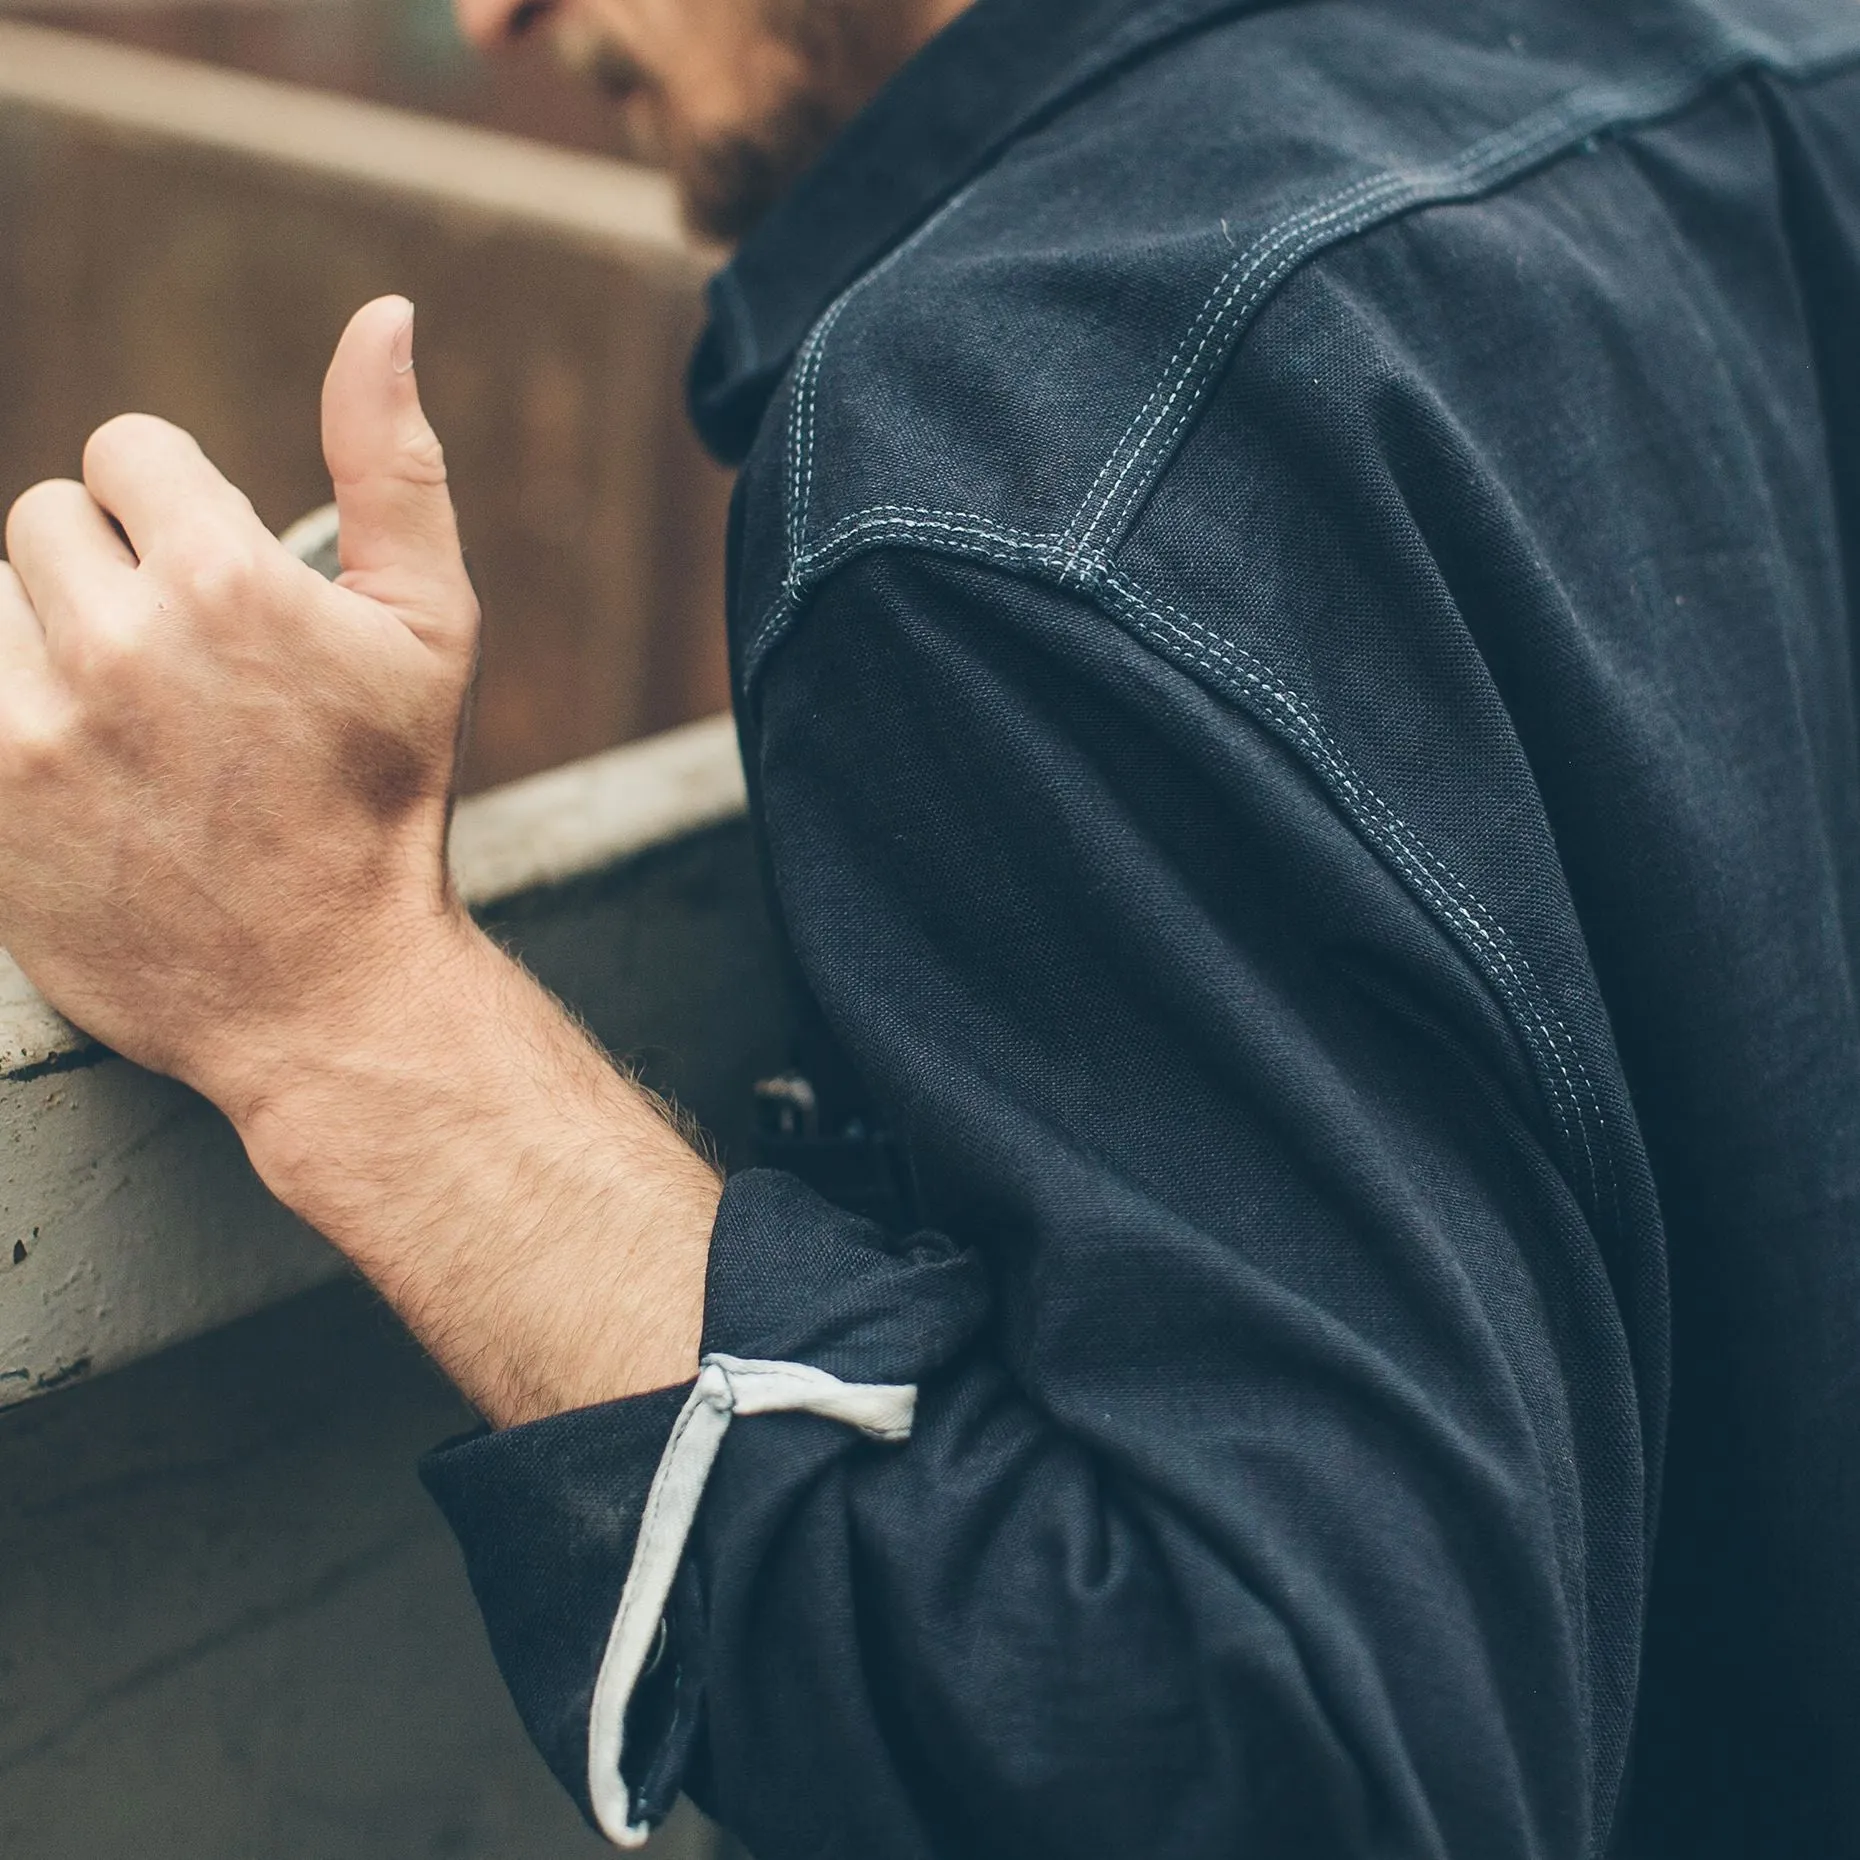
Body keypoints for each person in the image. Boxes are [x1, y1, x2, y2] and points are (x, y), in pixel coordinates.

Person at [1, 0, 1857, 1852]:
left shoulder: (1010, 436)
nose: (494, 16)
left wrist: (348, 1004)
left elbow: (1299, 1793)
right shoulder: (1766, 67)